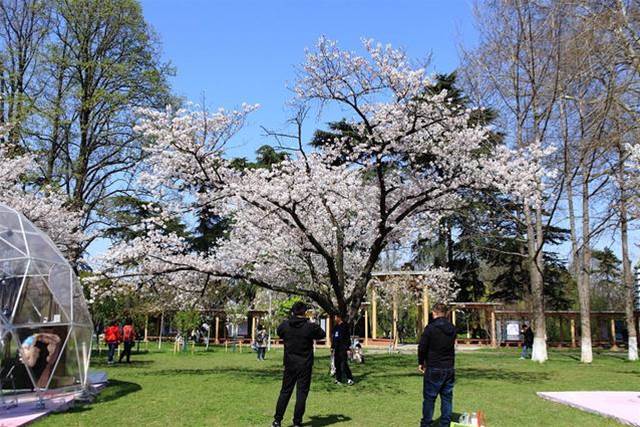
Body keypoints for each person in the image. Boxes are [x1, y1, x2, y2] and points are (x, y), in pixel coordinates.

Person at [272, 301, 325, 427]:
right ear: (305, 312)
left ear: (293, 311)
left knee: (285, 392)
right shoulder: (309, 327)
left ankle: (277, 420)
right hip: (305, 364)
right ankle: (297, 422)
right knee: (301, 393)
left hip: (290, 363)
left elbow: (279, 332)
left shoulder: (285, 325)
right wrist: (312, 321)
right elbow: (322, 334)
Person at [418, 303, 456, 427]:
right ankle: (445, 423)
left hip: (434, 366)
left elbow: (422, 347)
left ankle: (426, 423)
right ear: (446, 313)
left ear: (434, 313)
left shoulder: (430, 328)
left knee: (429, 398)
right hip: (449, 367)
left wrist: (421, 362)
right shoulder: (452, 329)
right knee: (447, 398)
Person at [332, 315, 354, 385]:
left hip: (343, 348)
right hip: (337, 348)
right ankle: (338, 379)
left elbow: (347, 338)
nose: (335, 319)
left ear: (339, 317)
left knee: (343, 364)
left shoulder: (345, 326)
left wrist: (348, 348)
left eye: (335, 317)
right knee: (337, 364)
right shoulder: (335, 327)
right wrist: (332, 347)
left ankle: (350, 378)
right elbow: (334, 338)